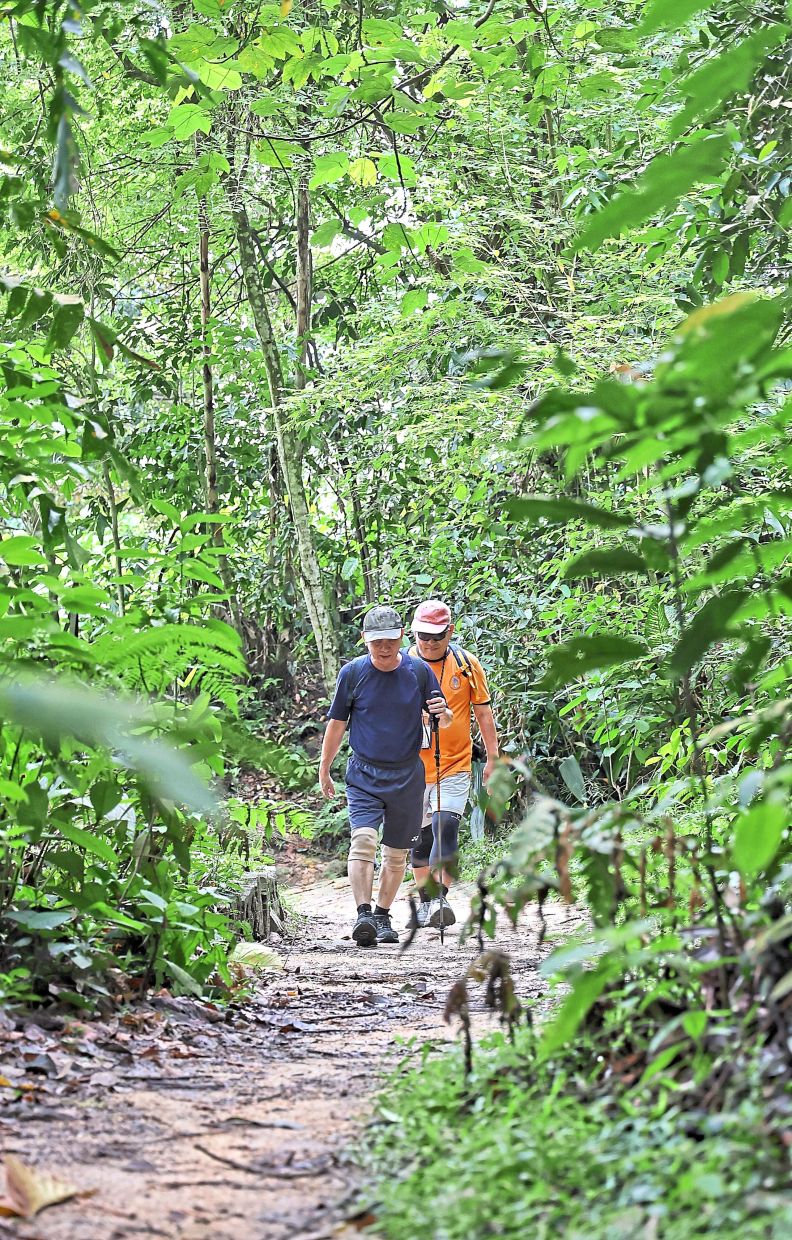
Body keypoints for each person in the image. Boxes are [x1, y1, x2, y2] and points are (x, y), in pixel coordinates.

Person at [319, 604, 452, 947]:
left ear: (401, 637)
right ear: (365, 640)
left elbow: (444, 719)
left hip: (408, 777)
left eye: (390, 640)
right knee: (363, 841)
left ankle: (381, 915)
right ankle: (362, 913)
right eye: (376, 641)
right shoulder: (353, 673)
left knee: (395, 855)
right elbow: (336, 725)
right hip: (364, 773)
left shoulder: (419, 672)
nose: (384, 647)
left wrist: (443, 712)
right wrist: (325, 768)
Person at [408, 599, 499, 929]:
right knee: (419, 841)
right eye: (423, 636)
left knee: (446, 828)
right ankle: (426, 903)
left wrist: (493, 758)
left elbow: (484, 713)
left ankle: (439, 899)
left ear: (451, 631)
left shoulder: (466, 664)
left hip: (455, 764)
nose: (430, 643)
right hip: (411, 769)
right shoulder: (401, 664)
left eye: (437, 636)